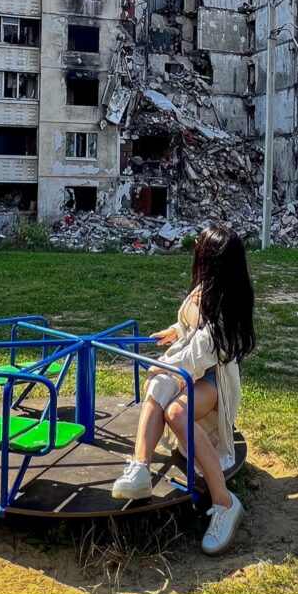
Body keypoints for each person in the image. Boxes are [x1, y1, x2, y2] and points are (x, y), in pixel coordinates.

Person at [111, 225, 256, 556]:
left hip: (212, 380)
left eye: (200, 251)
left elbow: (202, 352)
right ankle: (140, 470)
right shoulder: (205, 289)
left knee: (177, 411)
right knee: (158, 385)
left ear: (212, 260)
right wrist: (175, 331)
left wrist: (168, 364)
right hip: (190, 370)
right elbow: (191, 327)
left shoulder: (227, 302)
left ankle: (224, 502)